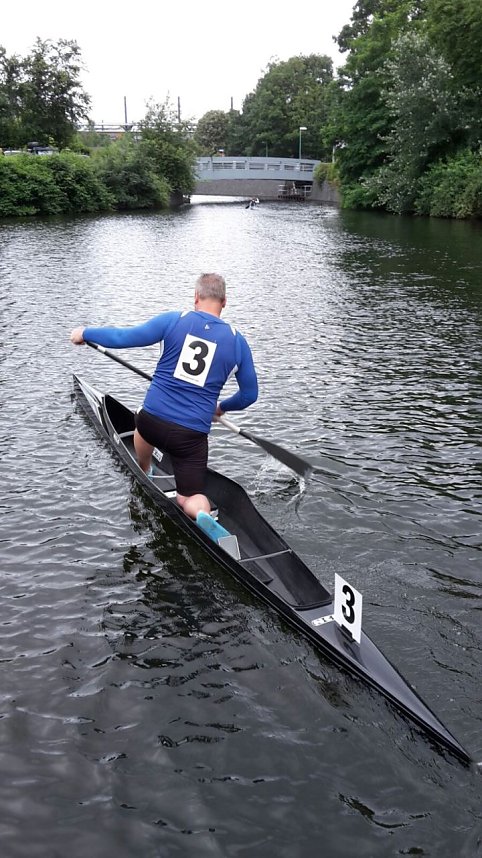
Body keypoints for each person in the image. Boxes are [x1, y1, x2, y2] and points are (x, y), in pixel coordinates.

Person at [70, 273, 258, 520]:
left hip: (152, 423)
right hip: (190, 437)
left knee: (141, 423)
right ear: (224, 302)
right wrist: (221, 408)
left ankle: (146, 469)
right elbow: (249, 395)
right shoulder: (237, 343)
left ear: (196, 298)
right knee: (188, 497)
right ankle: (201, 513)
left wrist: (86, 332)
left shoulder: (173, 320)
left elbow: (123, 337)